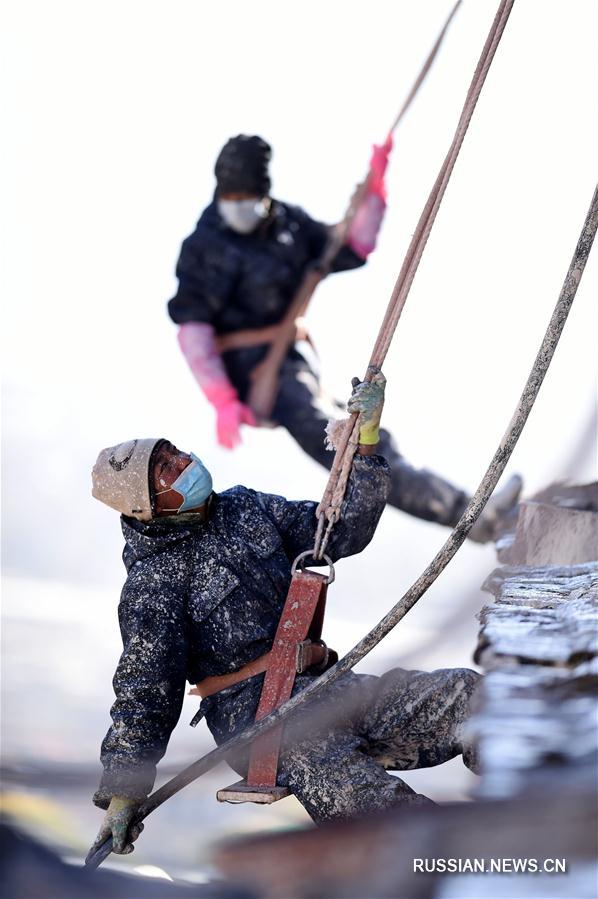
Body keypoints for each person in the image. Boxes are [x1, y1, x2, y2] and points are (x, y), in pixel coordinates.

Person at [89, 375, 480, 854]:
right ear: (146, 507)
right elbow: (147, 689)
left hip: (325, 687)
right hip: (259, 723)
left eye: (175, 453)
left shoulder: (245, 508)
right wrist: (124, 790)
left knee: (471, 697)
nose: (183, 463)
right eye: (166, 469)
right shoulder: (154, 584)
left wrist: (366, 444)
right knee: (374, 809)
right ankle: (465, 868)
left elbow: (337, 532)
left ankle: (539, 804)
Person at [167, 134, 521, 542]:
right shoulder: (203, 247)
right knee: (344, 448)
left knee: (366, 439)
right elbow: (193, 330)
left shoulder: (289, 225)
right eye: (233, 195)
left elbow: (353, 245)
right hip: (252, 375)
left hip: (294, 363)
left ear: (264, 192)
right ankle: (471, 517)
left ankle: (471, 512)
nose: (241, 203)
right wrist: (222, 399)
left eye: (249, 194)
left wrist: (374, 191)